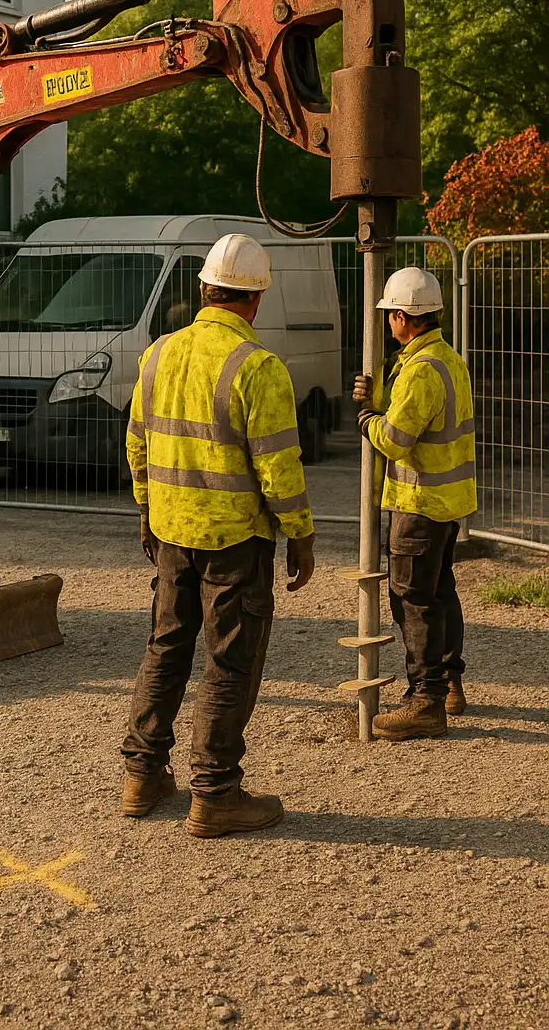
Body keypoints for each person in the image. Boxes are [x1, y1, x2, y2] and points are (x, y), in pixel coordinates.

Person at [120, 233, 316, 838]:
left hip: (173, 534)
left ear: (203, 290)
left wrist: (149, 508)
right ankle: (215, 793)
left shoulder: (156, 356)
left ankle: (142, 775)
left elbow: (137, 443)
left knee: (166, 648)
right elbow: (278, 467)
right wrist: (300, 534)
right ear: (255, 300)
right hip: (235, 542)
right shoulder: (258, 368)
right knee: (229, 663)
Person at [353, 266, 475, 741]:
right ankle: (449, 685)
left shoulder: (421, 370)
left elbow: (397, 437)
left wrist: (366, 418)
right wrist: (380, 395)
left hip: (418, 502)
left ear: (404, 316)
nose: (387, 322)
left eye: (390, 315)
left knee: (413, 600)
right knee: (440, 592)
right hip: (445, 503)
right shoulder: (446, 359)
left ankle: (425, 699)